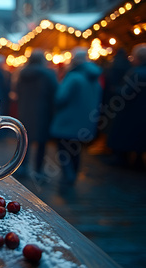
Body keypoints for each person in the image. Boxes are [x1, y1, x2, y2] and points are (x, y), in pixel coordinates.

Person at [50, 49, 102, 184]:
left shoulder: (73, 77)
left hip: (67, 121)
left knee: (64, 150)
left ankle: (68, 175)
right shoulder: (94, 78)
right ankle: (73, 175)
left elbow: (60, 98)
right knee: (76, 151)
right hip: (85, 122)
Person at [15, 50, 58, 176]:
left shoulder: (22, 74)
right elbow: (55, 91)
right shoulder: (49, 74)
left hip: (24, 109)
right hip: (42, 111)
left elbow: (17, 90)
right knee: (41, 142)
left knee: (25, 140)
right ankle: (38, 169)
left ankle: (22, 166)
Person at [107, 43, 146, 169]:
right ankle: (138, 160)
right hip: (141, 114)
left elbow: (126, 92)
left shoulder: (136, 73)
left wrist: (115, 89)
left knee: (126, 136)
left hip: (129, 113)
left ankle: (122, 159)